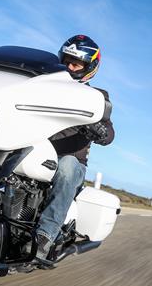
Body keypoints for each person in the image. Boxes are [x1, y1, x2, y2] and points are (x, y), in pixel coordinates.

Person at [33, 35, 115, 266]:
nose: (69, 67)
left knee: (68, 167)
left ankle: (45, 236)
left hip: (69, 161)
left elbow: (109, 133)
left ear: (89, 68)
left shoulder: (96, 97)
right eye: (66, 61)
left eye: (76, 64)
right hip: (36, 151)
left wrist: (98, 129)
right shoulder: (45, 86)